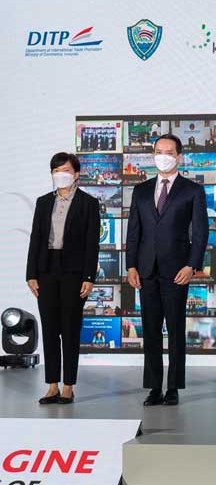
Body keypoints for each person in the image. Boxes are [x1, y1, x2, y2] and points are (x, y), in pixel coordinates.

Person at [126, 134, 209, 407]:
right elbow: (134, 231)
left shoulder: (192, 190)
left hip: (177, 270)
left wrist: (191, 265)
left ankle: (173, 387)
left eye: (169, 152)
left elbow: (200, 233)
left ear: (179, 157)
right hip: (146, 270)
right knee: (150, 331)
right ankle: (154, 387)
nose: (163, 156)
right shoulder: (141, 190)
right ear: (153, 155)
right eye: (159, 151)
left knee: (175, 330)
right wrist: (131, 265)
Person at [26, 152, 100, 405]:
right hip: (46, 270)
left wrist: (89, 276)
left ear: (76, 174)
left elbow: (92, 243)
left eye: (66, 170)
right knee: (49, 329)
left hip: (73, 272)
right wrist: (31, 274)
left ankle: (68, 386)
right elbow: (35, 238)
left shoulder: (88, 203)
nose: (61, 175)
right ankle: (52, 386)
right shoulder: (43, 202)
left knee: (69, 329)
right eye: (56, 170)